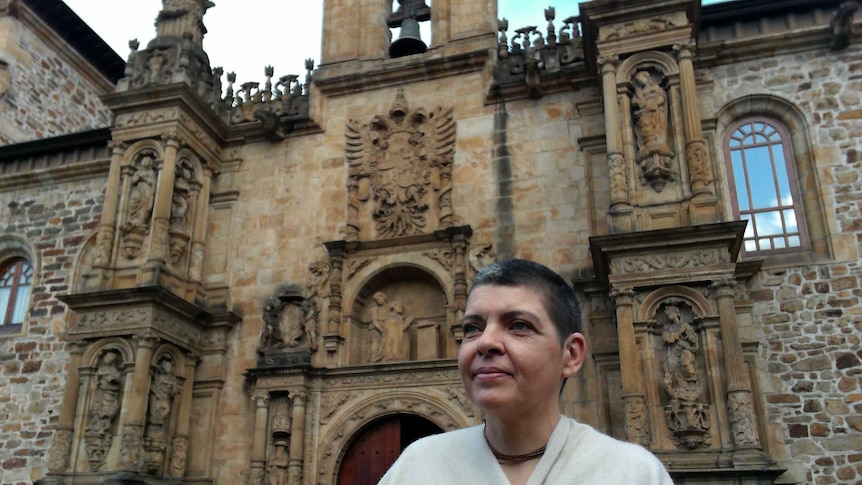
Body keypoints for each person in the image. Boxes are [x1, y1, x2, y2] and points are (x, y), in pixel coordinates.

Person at [378, 259, 673, 485]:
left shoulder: (630, 473)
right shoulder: (417, 467)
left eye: (519, 325)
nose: (485, 342)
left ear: (570, 355)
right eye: (472, 328)